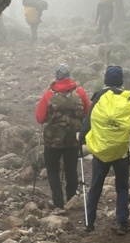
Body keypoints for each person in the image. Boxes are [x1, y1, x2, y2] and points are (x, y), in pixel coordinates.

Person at [80, 66, 130, 235]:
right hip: (121, 151)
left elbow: (88, 122)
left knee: (95, 186)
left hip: (101, 151)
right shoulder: (127, 99)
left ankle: (89, 223)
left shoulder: (98, 98)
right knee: (122, 187)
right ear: (121, 81)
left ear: (105, 80)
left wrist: (82, 138)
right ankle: (121, 223)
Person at [35, 63, 91, 209]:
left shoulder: (49, 94)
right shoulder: (80, 92)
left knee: (53, 170)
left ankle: (58, 201)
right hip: (74, 138)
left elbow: (40, 118)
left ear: (57, 78)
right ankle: (72, 198)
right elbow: (88, 112)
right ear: (69, 76)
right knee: (71, 168)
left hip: (52, 140)